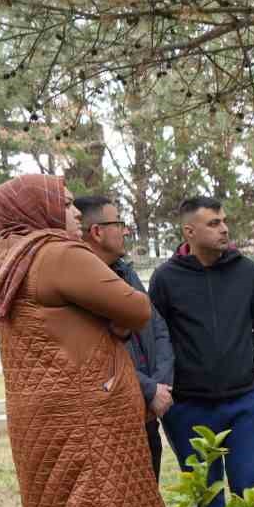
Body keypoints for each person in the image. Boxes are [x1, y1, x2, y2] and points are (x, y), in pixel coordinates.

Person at [0, 174, 167, 507]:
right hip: (88, 421)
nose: (73, 214)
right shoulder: (57, 253)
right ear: (38, 210)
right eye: (64, 204)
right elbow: (138, 308)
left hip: (43, 422)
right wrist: (115, 321)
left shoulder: (12, 257)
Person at [148, 197, 254, 507]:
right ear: (189, 231)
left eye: (224, 221)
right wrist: (167, 390)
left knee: (253, 493)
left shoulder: (246, 271)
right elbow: (154, 336)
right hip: (188, 409)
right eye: (213, 223)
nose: (224, 228)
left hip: (246, 406)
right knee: (207, 500)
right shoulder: (166, 279)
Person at [76, 194, 174, 477]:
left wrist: (161, 385)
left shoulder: (125, 272)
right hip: (112, 419)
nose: (126, 231)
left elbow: (158, 328)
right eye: (119, 223)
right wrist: (148, 389)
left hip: (147, 415)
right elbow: (95, 352)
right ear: (97, 231)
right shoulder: (80, 282)